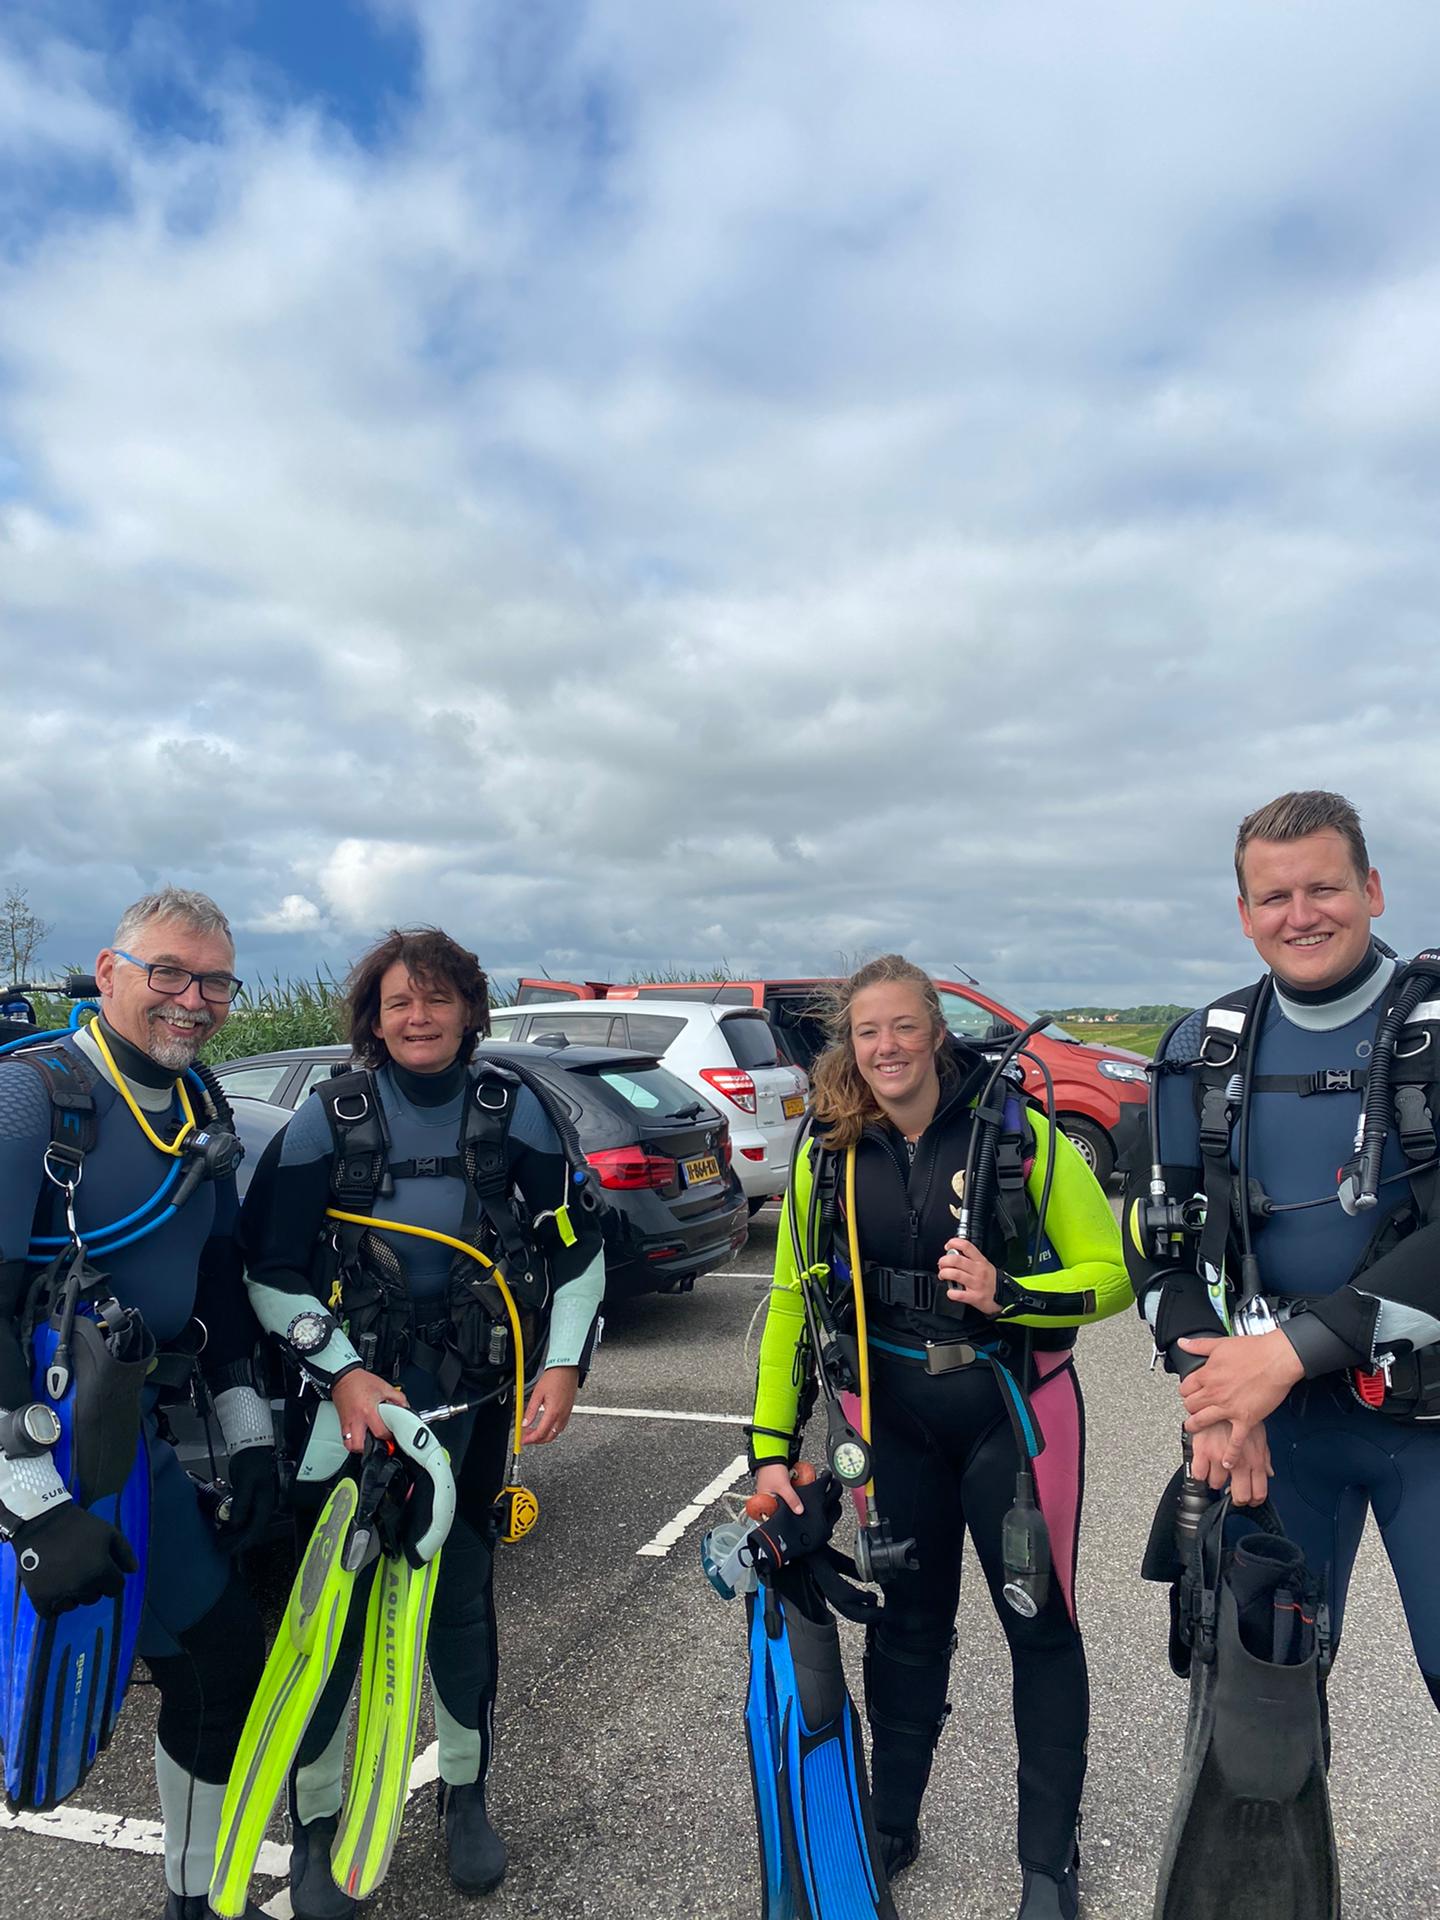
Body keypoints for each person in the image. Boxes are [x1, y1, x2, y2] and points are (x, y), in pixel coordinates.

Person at [748, 955, 1129, 1920]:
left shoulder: (1021, 1136)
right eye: (867, 1031)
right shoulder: (826, 1154)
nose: (887, 1048)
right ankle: (891, 1822)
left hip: (1012, 1417)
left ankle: (1048, 1862)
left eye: (904, 1027)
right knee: (908, 1626)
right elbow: (793, 1303)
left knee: (1039, 1628)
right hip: (892, 1425)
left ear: (937, 1031)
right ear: (850, 1044)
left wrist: (1014, 1293)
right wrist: (768, 1447)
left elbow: (1112, 1273)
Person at [240, 927, 605, 1917]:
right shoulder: (329, 1119)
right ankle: (317, 1824)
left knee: (460, 1603)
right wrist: (344, 1374)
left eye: (438, 998)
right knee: (329, 1617)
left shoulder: (514, 1110)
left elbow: (577, 1254)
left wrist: (562, 1364)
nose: (419, 1016)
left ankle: (465, 1791)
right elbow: (268, 1270)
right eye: (400, 1001)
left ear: (469, 1009)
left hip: (471, 1402)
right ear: (374, 1015)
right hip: (351, 1407)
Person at [1128, 789, 1440, 1709]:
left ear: (1372, 890)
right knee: (1258, 1710)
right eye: (1275, 897)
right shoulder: (1202, 1051)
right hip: (1274, 1432)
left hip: (1427, 1420)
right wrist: (1218, 1392)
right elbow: (1156, 1240)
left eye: (1324, 888)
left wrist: (1287, 1356)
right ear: (1244, 914)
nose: (1301, 915)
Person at [0, 887, 276, 1920]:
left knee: (218, 1667)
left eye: (215, 982)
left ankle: (194, 1900)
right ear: (109, 971)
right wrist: (32, 1500)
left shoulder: (202, 1106)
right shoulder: (32, 1096)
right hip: (32, 1449)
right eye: (168, 973)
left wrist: (248, 1434)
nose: (192, 1000)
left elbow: (218, 1283)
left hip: (122, 1444)